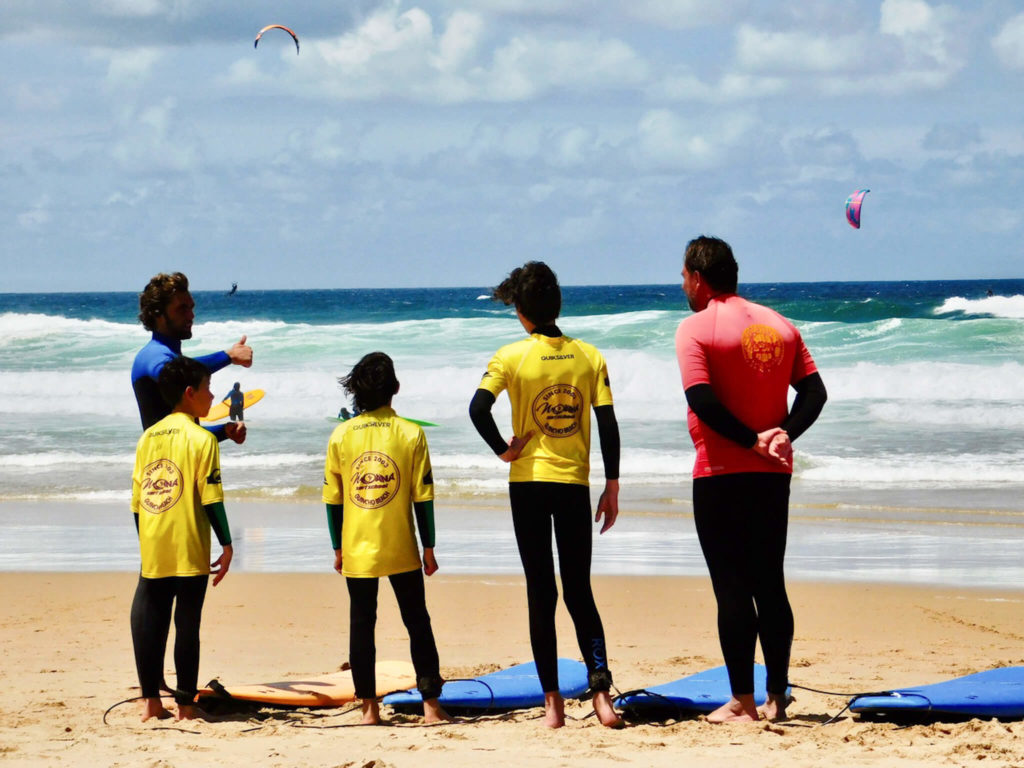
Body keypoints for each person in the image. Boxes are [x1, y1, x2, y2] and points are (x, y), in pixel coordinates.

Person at [675, 236, 827, 723]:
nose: (683, 285)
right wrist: (782, 434)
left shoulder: (695, 328)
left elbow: (702, 400)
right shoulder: (781, 325)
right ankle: (777, 698)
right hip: (770, 478)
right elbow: (815, 393)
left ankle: (742, 702)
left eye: (683, 276)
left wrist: (750, 440)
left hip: (720, 474)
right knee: (770, 585)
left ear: (697, 278)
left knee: (732, 589)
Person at [468, 261, 623, 729]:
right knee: (580, 590)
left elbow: (478, 409)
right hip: (574, 486)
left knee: (542, 592)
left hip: (528, 486)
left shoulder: (509, 357)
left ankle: (552, 704)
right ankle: (601, 698)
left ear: (521, 311)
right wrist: (612, 485)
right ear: (557, 305)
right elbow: (608, 425)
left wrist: (503, 450)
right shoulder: (589, 355)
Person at [323, 352, 449, 726]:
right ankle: (431, 708)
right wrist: (429, 547)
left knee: (362, 624)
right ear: (395, 388)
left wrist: (337, 547)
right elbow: (422, 496)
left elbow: (333, 498)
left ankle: (368, 710)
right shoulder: (411, 433)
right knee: (417, 622)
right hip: (401, 547)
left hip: (357, 548)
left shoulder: (341, 434)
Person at [130, 356, 234, 722]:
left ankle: (151, 703)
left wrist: (146, 542)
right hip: (189, 544)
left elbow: (138, 501)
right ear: (190, 394)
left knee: (152, 621)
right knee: (188, 624)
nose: (212, 395)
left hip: (154, 543)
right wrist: (227, 543)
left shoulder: (148, 438)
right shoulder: (202, 439)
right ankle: (186, 705)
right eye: (207, 389)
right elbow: (211, 497)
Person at [132, 272, 252, 443]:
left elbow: (181, 435)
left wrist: (225, 431)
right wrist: (228, 356)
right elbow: (173, 372)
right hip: (161, 467)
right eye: (182, 309)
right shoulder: (152, 355)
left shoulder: (172, 357)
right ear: (158, 314)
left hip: (175, 465)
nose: (191, 316)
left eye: (191, 308)